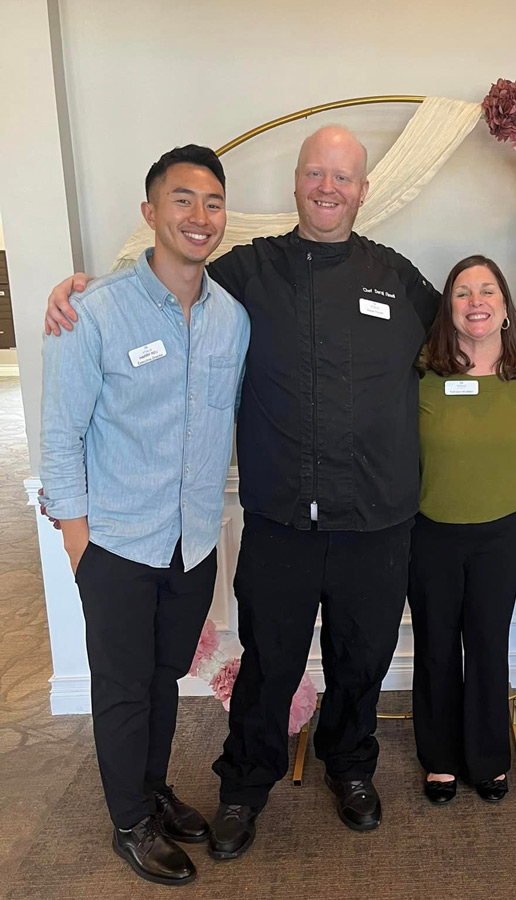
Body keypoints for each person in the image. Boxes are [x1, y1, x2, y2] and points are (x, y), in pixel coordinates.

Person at [43, 126, 440, 857]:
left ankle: (350, 767)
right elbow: (165, 287)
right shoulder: (245, 273)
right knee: (269, 660)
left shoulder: (399, 278)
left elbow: (470, 337)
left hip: (377, 522)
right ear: (295, 183)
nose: (329, 187)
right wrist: (79, 291)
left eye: (343, 177)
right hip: (282, 520)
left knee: (364, 657)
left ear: (363, 190)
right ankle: (244, 785)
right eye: (316, 173)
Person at [40, 145, 250, 886]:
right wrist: (78, 548)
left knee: (165, 680)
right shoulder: (91, 313)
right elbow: (61, 434)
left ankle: (152, 790)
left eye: (213, 203)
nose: (199, 216)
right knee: (123, 689)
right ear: (151, 213)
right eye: (183, 200)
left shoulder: (233, 319)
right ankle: (128, 820)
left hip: (192, 544)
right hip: (119, 545)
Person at [410, 255, 516, 804]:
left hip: (499, 534)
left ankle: (488, 758)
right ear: (448, 308)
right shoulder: (421, 372)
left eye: (488, 290)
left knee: (488, 645)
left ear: (506, 306)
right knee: (436, 646)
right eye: (463, 292)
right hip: (430, 532)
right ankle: (439, 759)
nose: (476, 302)